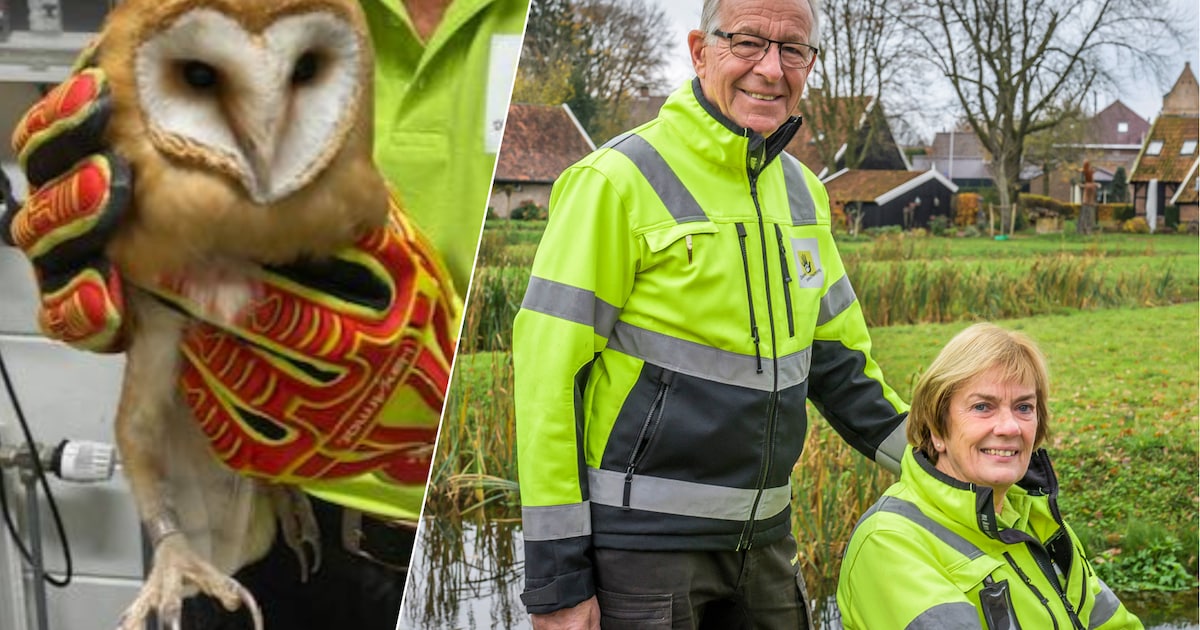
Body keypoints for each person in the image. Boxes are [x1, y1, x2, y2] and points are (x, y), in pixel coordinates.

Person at [2, 0, 528, 628]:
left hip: (498, 540)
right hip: (264, 527)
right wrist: (93, 248)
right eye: (204, 80)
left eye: (305, 72)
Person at [511, 0, 908, 627]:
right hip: (641, 556)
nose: (771, 69)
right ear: (700, 51)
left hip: (766, 546)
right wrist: (558, 582)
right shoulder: (615, 180)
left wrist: (953, 463)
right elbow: (547, 381)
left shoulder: (804, 194)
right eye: (748, 42)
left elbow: (842, 370)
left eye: (793, 49)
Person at [837, 323, 1142, 629]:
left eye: (1024, 407)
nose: (1009, 427)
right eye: (983, 407)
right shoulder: (890, 541)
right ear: (937, 429)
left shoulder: (1038, 521)